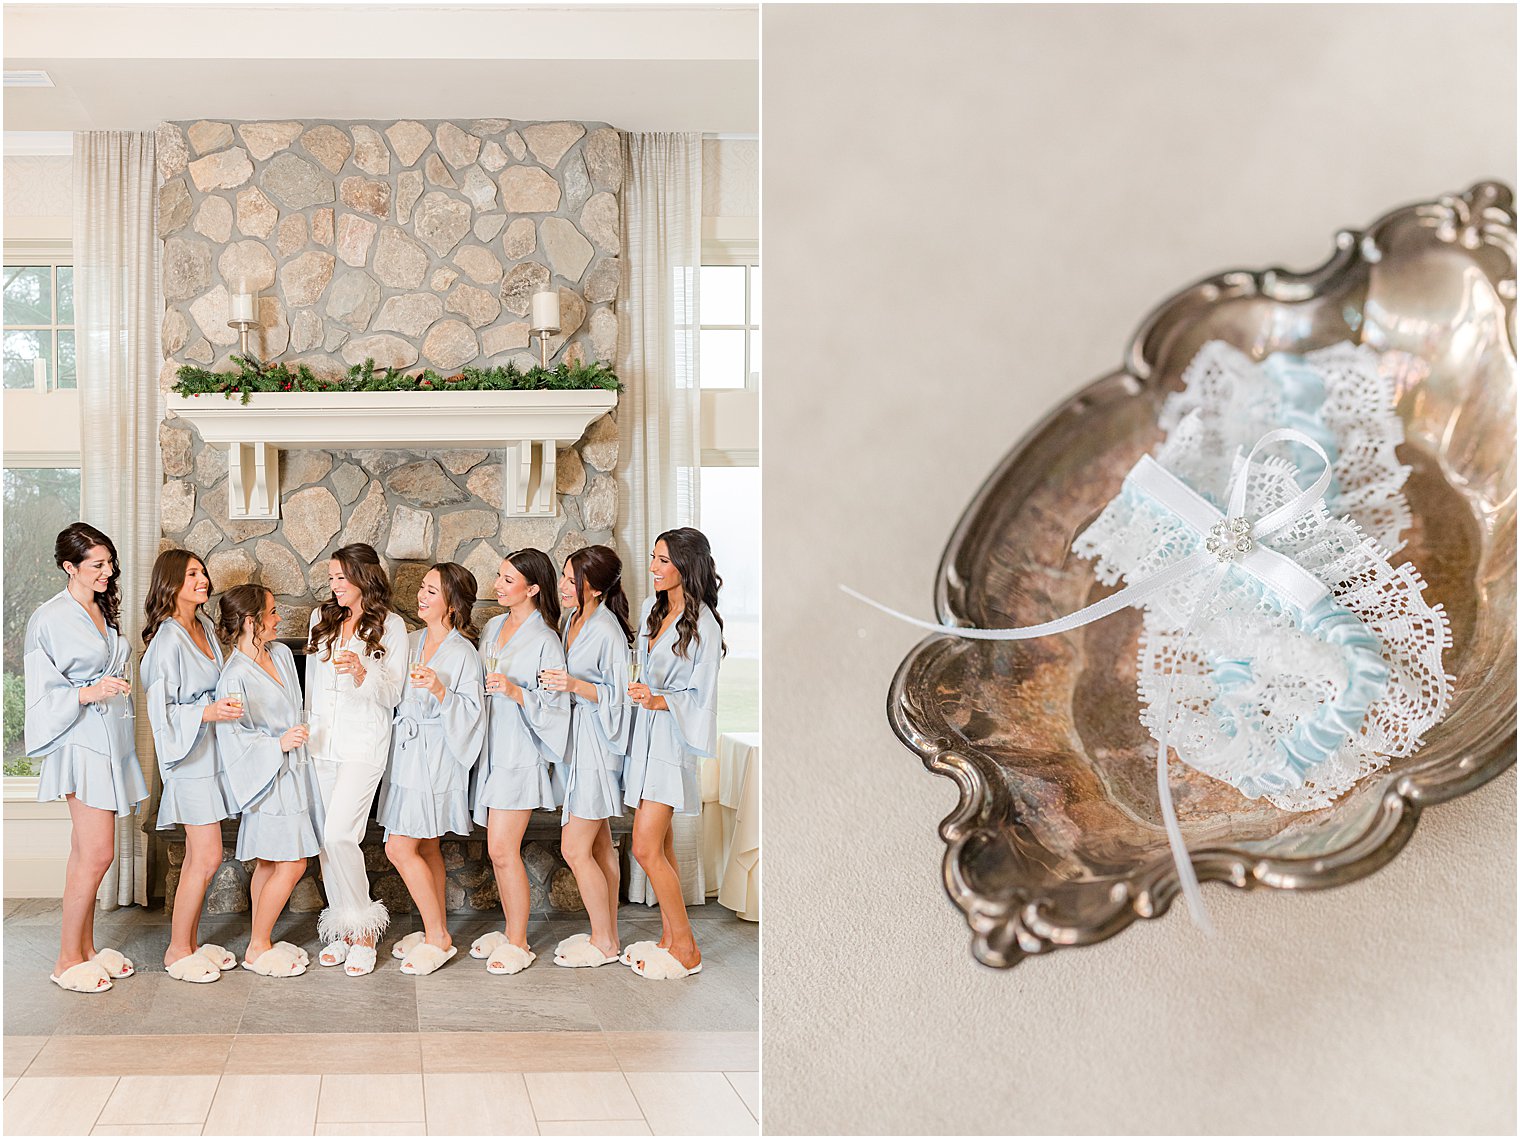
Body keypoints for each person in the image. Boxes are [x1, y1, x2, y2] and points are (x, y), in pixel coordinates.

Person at [24, 523, 147, 993]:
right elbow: (41, 693)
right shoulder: (49, 618)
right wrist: (88, 692)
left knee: (84, 854)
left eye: (109, 563)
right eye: (97, 565)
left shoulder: (101, 609)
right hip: (79, 744)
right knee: (98, 853)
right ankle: (64, 960)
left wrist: (111, 687)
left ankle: (86, 951)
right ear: (68, 567)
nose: (107, 572)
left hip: (109, 740)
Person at [622, 527, 725, 980]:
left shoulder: (705, 625)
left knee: (644, 847)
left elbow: (702, 697)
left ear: (687, 564)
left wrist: (659, 699)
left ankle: (686, 947)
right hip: (643, 735)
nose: (654, 568)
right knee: (660, 844)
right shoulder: (651, 609)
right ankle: (667, 937)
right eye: (653, 558)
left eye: (663, 560)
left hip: (670, 741)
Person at [305, 543, 408, 977]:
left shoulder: (393, 627)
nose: (334, 586)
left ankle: (364, 931)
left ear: (364, 578)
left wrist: (365, 675)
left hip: (364, 746)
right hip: (321, 743)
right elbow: (312, 683)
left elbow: (395, 693)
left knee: (341, 834)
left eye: (341, 579)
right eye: (331, 579)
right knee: (328, 845)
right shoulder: (320, 619)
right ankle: (344, 929)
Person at [140, 549, 243, 983]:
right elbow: (159, 711)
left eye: (203, 572)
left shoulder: (201, 626)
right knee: (206, 854)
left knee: (208, 854)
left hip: (210, 753)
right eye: (192, 574)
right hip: (188, 759)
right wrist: (206, 714)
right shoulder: (166, 640)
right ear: (171, 584)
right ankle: (177, 949)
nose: (203, 580)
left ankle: (191, 942)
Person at [378, 563, 485, 976]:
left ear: (453, 604)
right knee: (425, 847)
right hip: (405, 755)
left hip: (437, 757)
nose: (421, 596)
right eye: (422, 588)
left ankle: (439, 937)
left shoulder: (462, 653)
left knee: (398, 847)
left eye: (432, 591)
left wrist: (441, 690)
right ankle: (431, 931)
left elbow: (474, 715)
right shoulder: (411, 639)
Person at [468, 548, 570, 975]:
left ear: (532, 588)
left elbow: (555, 707)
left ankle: (519, 941)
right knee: (497, 852)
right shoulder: (492, 627)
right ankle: (511, 930)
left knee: (503, 850)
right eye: (499, 576)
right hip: (492, 751)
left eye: (508, 580)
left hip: (520, 756)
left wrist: (514, 692)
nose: (497, 585)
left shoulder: (546, 640)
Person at [214, 585, 322, 977]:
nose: (279, 618)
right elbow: (233, 737)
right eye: (273, 612)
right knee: (292, 864)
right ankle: (259, 945)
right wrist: (278, 744)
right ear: (251, 621)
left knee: (270, 862)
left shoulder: (279, 654)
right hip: (267, 776)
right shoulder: (233, 676)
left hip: (296, 770)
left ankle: (260, 940)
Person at [538, 545, 633, 968]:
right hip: (577, 743)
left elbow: (619, 698)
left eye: (570, 578)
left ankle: (604, 942)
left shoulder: (608, 630)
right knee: (598, 845)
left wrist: (574, 686)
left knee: (575, 849)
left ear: (593, 588)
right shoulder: (572, 620)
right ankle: (607, 932)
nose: (562, 585)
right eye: (562, 575)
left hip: (597, 744)